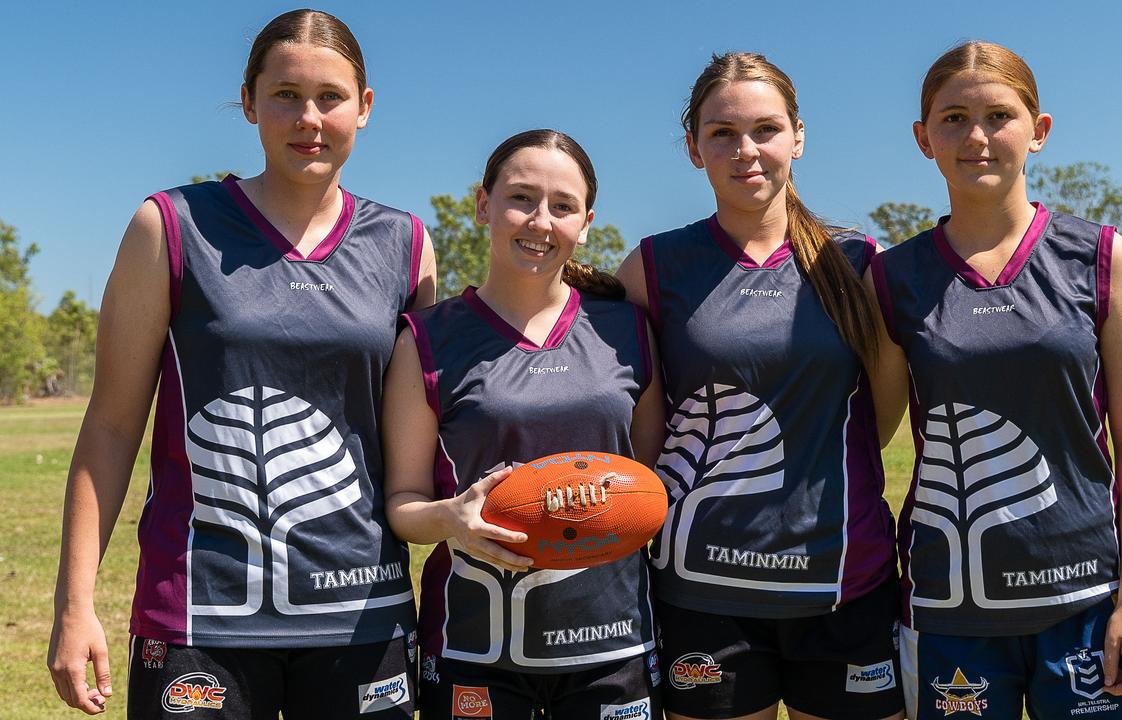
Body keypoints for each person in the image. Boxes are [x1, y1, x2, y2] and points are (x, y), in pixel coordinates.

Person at [47, 10, 434, 718]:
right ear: (250, 101)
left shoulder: (406, 244)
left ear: (365, 108)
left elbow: (417, 442)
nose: (308, 118)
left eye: (330, 98)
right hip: (201, 613)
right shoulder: (169, 226)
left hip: (360, 611)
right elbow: (109, 428)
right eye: (285, 94)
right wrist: (74, 606)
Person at [866, 41, 1122, 720]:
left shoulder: (1101, 257)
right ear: (923, 138)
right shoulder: (892, 279)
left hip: (1084, 598)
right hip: (949, 605)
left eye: (999, 116)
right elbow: (873, 431)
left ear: (1039, 131)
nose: (976, 137)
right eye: (953, 119)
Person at [616, 52, 905, 720]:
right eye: (722, 133)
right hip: (704, 591)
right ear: (694, 148)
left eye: (766, 130)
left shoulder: (858, 263)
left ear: (798, 137)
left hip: (844, 581)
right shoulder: (656, 266)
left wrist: (1117, 281)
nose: (746, 150)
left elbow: (880, 417)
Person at [382, 129, 667, 720]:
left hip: (612, 640)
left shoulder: (628, 330)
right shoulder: (428, 338)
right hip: (475, 643)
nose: (540, 221)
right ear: (484, 205)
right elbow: (403, 503)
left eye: (562, 206)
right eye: (521, 198)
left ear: (585, 222)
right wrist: (449, 519)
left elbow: (652, 485)